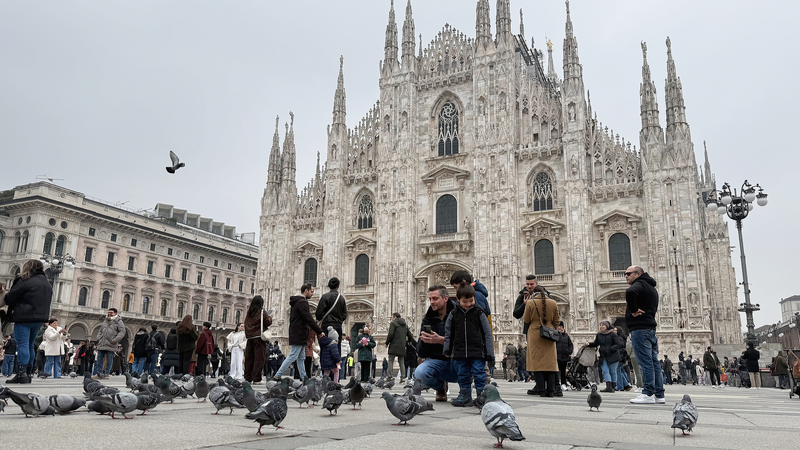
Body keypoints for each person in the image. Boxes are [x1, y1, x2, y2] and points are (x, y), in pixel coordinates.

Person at [443, 281, 493, 406]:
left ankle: (482, 396)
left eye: (471, 301)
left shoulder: (479, 312)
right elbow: (449, 333)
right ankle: (465, 395)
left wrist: (489, 353)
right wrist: (447, 350)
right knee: (463, 374)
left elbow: (487, 333)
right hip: (460, 350)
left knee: (479, 373)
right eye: (465, 302)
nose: (468, 304)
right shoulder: (453, 314)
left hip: (477, 351)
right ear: (458, 300)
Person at [4, 260, 53, 384]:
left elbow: (10, 298)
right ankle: (29, 372)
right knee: (30, 345)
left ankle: (22, 373)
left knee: (23, 344)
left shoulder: (25, 280)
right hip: (40, 318)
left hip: (24, 317)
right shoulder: (46, 283)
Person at [623, 265, 665, 404]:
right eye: (625, 274)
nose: (626, 276)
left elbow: (630, 293)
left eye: (629, 273)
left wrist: (633, 309)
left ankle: (647, 393)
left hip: (640, 330)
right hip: (650, 330)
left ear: (638, 273)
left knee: (646, 362)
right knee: (654, 363)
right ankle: (659, 394)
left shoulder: (639, 284)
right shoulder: (651, 288)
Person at [416, 285, 458, 402]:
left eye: (435, 299)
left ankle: (464, 391)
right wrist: (425, 342)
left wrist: (440, 340)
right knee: (420, 372)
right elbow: (421, 353)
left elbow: (465, 343)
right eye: (430, 299)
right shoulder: (428, 319)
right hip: (437, 362)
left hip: (457, 361)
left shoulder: (458, 315)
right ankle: (440, 388)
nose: (432, 302)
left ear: (445, 298)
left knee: (470, 365)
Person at [273, 285, 322, 381]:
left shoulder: (298, 302)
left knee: (301, 358)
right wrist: (319, 331)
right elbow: (308, 318)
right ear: (306, 291)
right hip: (299, 333)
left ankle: (304, 378)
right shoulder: (302, 302)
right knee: (293, 356)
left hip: (299, 333)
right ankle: (277, 375)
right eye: (311, 291)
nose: (312, 294)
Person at [523, 290, 560, 397]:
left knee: (537, 362)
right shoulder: (553, 303)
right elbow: (557, 320)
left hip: (535, 333)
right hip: (549, 333)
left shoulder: (530, 303)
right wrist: (549, 326)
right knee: (550, 363)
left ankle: (541, 390)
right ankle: (551, 390)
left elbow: (526, 319)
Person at [586, 321, 624, 393]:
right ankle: (608, 386)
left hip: (613, 355)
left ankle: (613, 386)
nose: (601, 326)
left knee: (613, 371)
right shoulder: (599, 334)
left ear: (607, 326)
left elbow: (619, 344)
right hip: (603, 355)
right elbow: (596, 343)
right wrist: (589, 344)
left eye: (603, 325)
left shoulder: (613, 334)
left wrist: (611, 349)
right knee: (605, 370)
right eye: (600, 325)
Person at [244, 295, 273, 383]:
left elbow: (246, 323)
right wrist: (270, 317)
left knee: (249, 358)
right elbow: (267, 322)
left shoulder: (249, 312)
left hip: (250, 338)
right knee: (259, 358)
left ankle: (248, 378)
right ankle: (256, 378)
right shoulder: (262, 311)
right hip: (258, 337)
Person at [92, 308, 126, 380]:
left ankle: (107, 374)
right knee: (99, 358)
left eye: (111, 312)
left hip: (111, 343)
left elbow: (122, 332)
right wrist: (99, 337)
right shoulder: (105, 321)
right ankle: (99, 374)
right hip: (102, 342)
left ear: (115, 314)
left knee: (109, 359)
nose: (109, 314)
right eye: (108, 312)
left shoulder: (119, 322)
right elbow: (100, 331)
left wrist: (115, 340)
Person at [315, 277, 347, 352]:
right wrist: (338, 320)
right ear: (338, 286)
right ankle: (337, 363)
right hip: (338, 326)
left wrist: (325, 319)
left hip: (326, 326)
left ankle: (325, 363)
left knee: (325, 349)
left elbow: (318, 314)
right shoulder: (341, 298)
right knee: (336, 350)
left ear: (329, 286)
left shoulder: (325, 297)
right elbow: (344, 315)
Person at [385, 312, 414, 382]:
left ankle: (390, 376)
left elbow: (390, 334)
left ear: (395, 317)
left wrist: (387, 343)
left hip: (394, 345)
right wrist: (409, 341)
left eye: (392, 317)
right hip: (402, 346)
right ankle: (403, 377)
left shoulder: (393, 324)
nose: (392, 319)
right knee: (401, 361)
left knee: (391, 360)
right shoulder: (405, 325)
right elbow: (410, 335)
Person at [555, 322, 573, 390]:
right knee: (556, 371)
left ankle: (563, 384)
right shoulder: (555, 335)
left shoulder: (566, 336)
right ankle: (556, 384)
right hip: (557, 356)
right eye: (558, 326)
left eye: (561, 326)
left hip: (564, 356)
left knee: (563, 371)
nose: (560, 328)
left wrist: (569, 351)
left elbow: (570, 345)